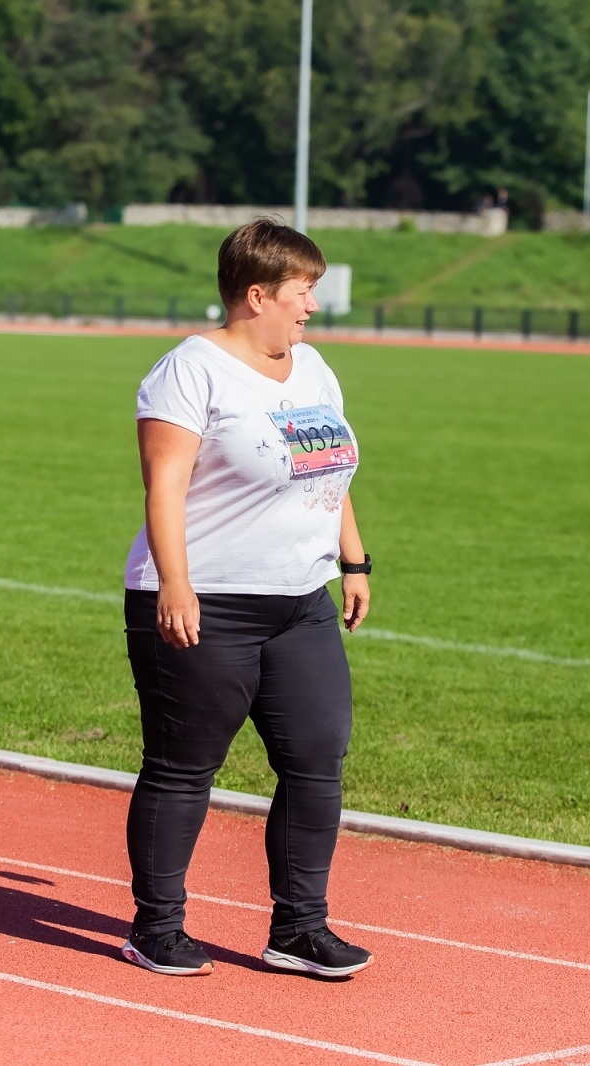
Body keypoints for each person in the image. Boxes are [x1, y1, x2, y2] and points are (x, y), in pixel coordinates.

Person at [120, 218, 374, 979]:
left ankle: (299, 929)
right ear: (256, 294)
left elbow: (330, 472)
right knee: (182, 766)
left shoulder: (314, 368)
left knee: (317, 760)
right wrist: (176, 583)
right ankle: (157, 927)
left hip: (301, 602)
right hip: (209, 602)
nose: (312, 308)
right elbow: (164, 485)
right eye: (303, 293)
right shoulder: (188, 371)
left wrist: (354, 561)